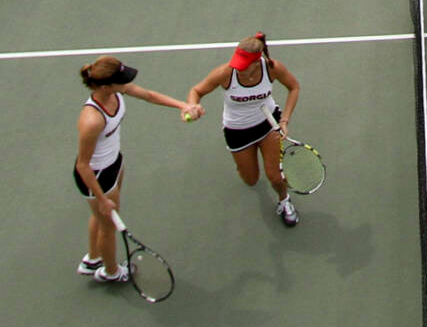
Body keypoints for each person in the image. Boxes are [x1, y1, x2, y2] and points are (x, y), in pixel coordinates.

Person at [72, 54, 197, 284]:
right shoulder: (91, 120)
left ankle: (93, 259)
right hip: (96, 176)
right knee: (108, 227)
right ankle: (111, 272)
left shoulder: (117, 91)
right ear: (106, 85)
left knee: (101, 220)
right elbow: (82, 164)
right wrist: (101, 198)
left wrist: (183, 105)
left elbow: (149, 96)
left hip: (114, 163)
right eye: (122, 79)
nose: (126, 82)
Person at [181, 34, 305, 228]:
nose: (238, 68)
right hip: (237, 130)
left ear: (257, 63)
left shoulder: (272, 68)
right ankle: (244, 164)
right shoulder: (225, 73)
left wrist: (285, 119)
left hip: (268, 124)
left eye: (244, 64)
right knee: (251, 179)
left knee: (275, 176)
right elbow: (196, 91)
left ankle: (284, 200)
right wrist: (192, 105)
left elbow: (294, 87)